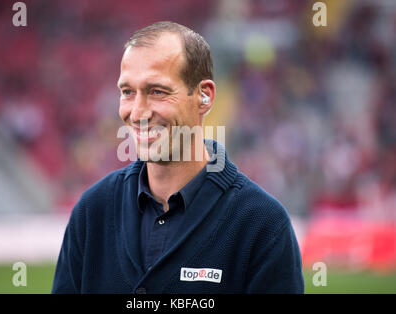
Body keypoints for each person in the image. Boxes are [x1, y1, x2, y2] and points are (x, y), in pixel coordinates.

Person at [52, 21, 304, 293]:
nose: (137, 113)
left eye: (157, 91)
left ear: (204, 97)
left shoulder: (261, 223)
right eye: (127, 92)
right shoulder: (92, 211)